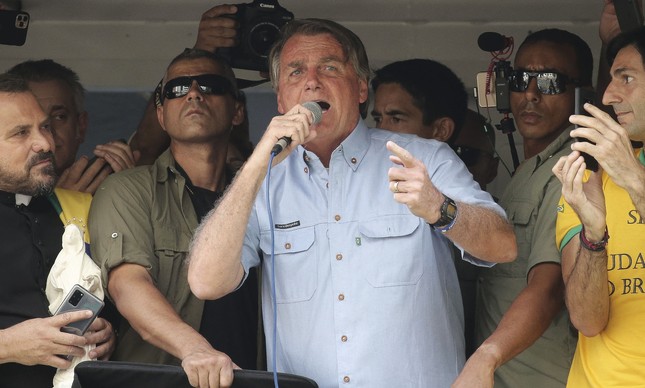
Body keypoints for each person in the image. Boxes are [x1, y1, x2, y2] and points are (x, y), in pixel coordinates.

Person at [187, 18, 516, 387]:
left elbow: (502, 245)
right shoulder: (264, 180)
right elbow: (205, 283)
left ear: (360, 88)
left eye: (329, 67)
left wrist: (441, 209)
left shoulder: (424, 158)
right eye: (296, 72)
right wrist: (255, 167)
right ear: (281, 98)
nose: (312, 80)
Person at [89, 48, 260, 388]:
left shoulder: (267, 193)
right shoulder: (128, 189)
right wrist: (197, 351)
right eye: (177, 89)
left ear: (237, 110)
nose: (194, 93)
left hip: (253, 379)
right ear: (162, 115)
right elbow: (127, 285)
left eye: (210, 85)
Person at [453, 29, 594, 388]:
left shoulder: (571, 169)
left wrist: (487, 356)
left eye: (550, 82)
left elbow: (547, 289)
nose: (530, 94)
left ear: (581, 94)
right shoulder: (530, 168)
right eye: (520, 79)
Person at [0, 73, 115, 388]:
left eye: (45, 127)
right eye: (21, 132)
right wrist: (8, 345)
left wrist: (107, 333)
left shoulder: (74, 208)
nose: (45, 144)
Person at [551, 11, 645, 388]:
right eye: (610, 79)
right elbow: (587, 321)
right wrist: (593, 235)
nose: (608, 95)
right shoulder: (592, 174)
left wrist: (634, 180)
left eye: (627, 78)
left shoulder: (622, 171)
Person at [6, 59, 139, 194]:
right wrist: (65, 204)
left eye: (59, 117)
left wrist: (127, 194)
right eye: (23, 130)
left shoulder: (111, 191)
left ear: (81, 126)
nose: (45, 138)